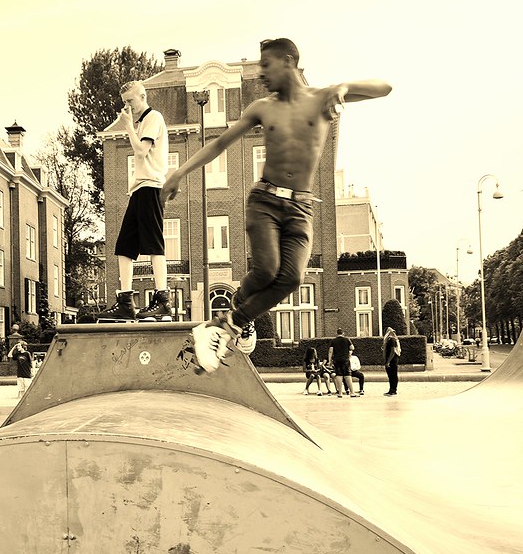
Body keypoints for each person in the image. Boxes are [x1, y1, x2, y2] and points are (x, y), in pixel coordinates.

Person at [162, 38, 391, 372]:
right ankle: (231, 323)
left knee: (291, 279)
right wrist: (179, 172)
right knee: (267, 270)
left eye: (266, 65)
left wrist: (345, 87)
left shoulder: (323, 97)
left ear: (288, 61)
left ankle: (226, 324)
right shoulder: (262, 108)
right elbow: (220, 143)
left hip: (301, 209)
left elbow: (384, 87)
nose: (262, 73)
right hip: (265, 202)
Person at [95, 80, 171, 322]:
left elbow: (140, 151)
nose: (128, 106)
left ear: (143, 96)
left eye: (130, 101)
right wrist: (129, 124)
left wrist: (127, 126)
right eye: (124, 103)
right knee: (124, 246)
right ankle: (126, 301)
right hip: (138, 189)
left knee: (154, 243)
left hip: (151, 187)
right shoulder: (140, 123)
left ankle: (163, 300)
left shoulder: (153, 117)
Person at [327, 327, 357, 398]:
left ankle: (340, 393)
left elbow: (330, 351)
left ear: (336, 333)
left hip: (337, 360)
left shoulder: (333, 341)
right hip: (345, 360)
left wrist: (329, 360)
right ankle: (352, 392)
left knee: (338, 375)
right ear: (343, 333)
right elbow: (352, 348)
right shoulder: (347, 339)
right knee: (347, 375)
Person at [383, 326, 401, 396]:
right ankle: (391, 390)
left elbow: (392, 351)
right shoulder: (392, 339)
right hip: (392, 360)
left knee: (392, 375)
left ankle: (393, 390)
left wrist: (388, 361)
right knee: (391, 376)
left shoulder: (391, 340)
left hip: (392, 360)